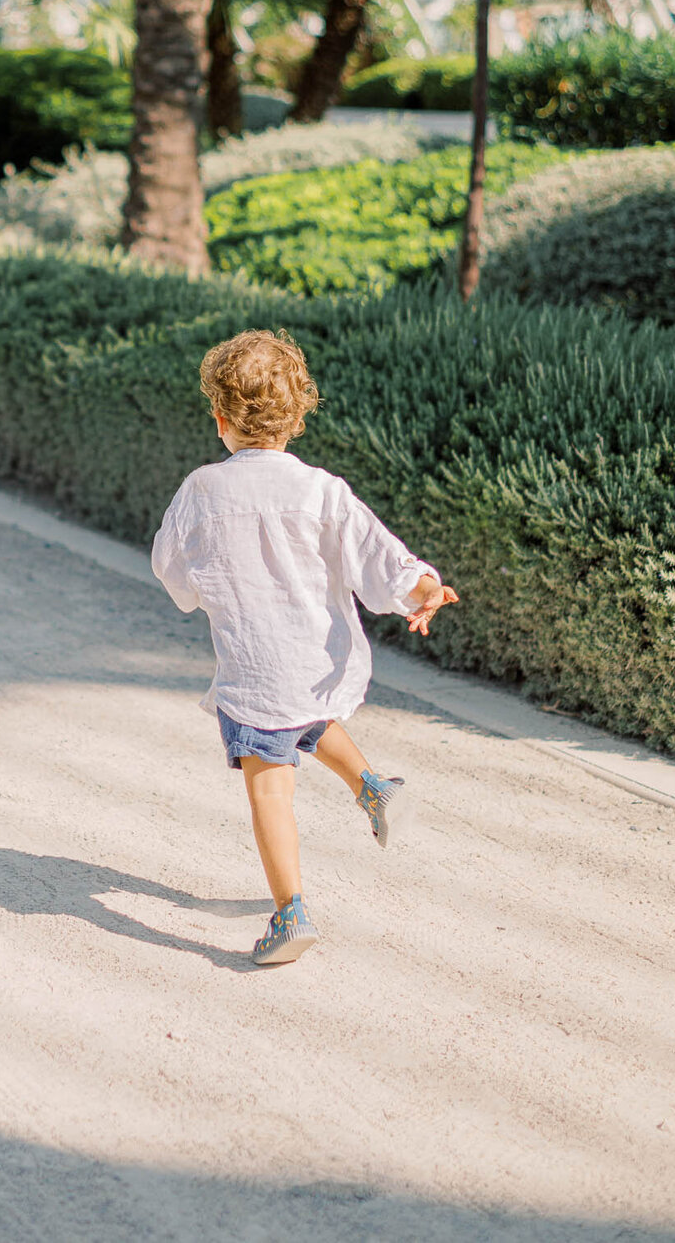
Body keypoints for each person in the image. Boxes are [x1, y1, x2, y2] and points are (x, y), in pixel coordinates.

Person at [152, 328, 458, 966]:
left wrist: (198, 589)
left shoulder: (201, 490)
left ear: (220, 419)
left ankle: (290, 912)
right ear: (296, 419)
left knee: (271, 788)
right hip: (317, 660)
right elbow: (380, 555)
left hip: (255, 668)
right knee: (311, 719)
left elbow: (169, 565)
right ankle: (376, 788)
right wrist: (421, 587)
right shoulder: (323, 490)